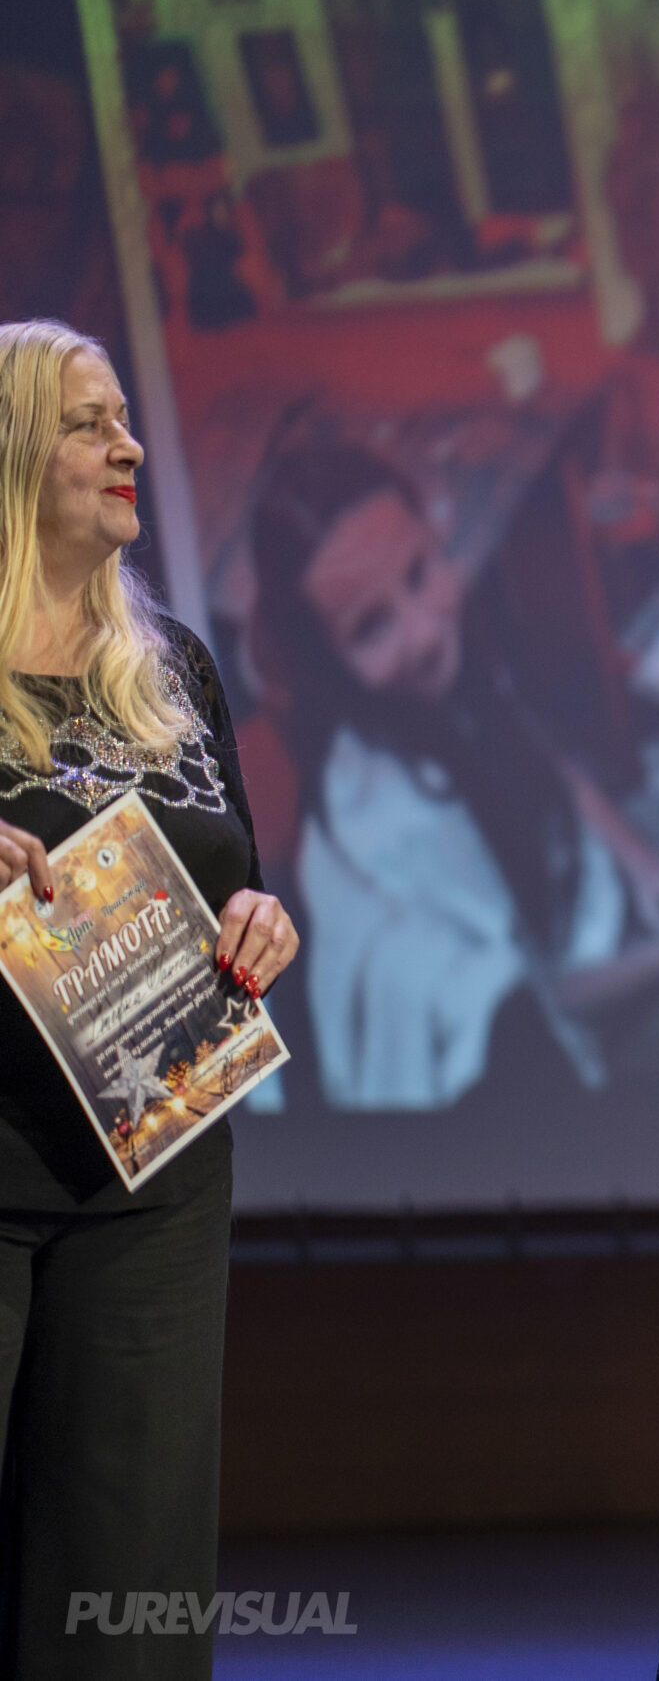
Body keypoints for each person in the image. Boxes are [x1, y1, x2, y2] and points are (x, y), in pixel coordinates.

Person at [0, 319, 299, 1675]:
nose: (127, 447)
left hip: (158, 1170)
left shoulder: (172, 666)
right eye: (88, 423)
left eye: (126, 418)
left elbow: (239, 876)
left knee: (130, 1580)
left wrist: (262, 922)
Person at [246, 441, 659, 1109]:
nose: (426, 631)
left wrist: (641, 862)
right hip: (576, 1034)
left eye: (419, 572)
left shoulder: (436, 681)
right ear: (326, 666)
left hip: (595, 906)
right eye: (372, 626)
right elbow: (535, 1007)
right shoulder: (390, 822)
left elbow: (541, 756)